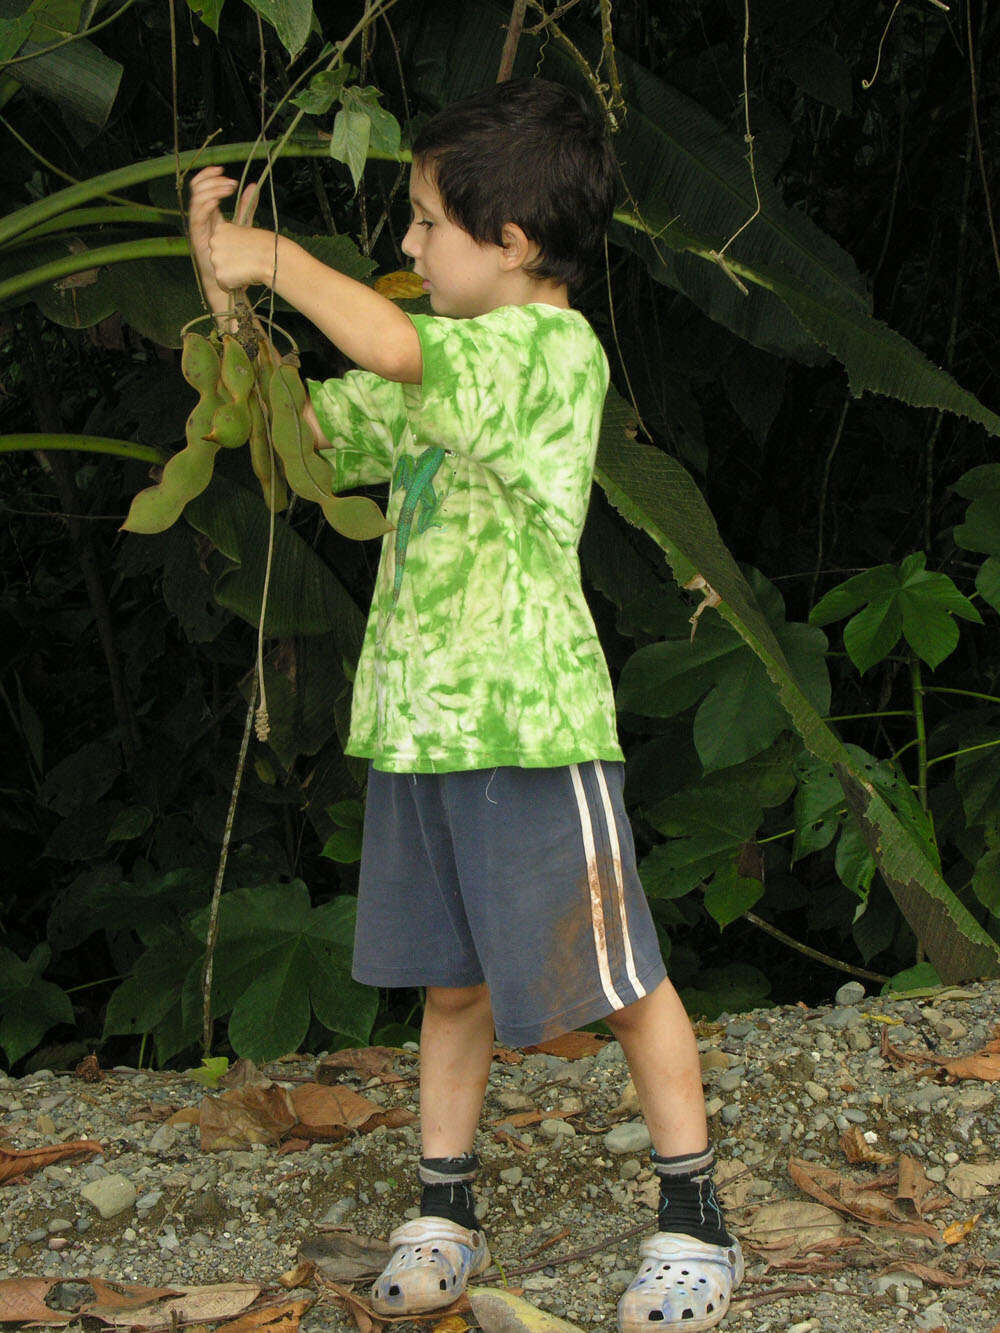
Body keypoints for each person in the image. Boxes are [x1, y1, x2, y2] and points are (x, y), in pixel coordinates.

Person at [188, 77, 741, 1333]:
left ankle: (693, 1214)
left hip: (531, 730)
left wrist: (273, 254)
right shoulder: (440, 372)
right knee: (448, 983)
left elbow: (388, 345)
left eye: (427, 222)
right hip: (422, 734)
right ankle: (444, 1205)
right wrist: (228, 308)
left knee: (618, 977)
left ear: (513, 244)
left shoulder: (548, 354)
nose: (405, 245)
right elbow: (299, 444)